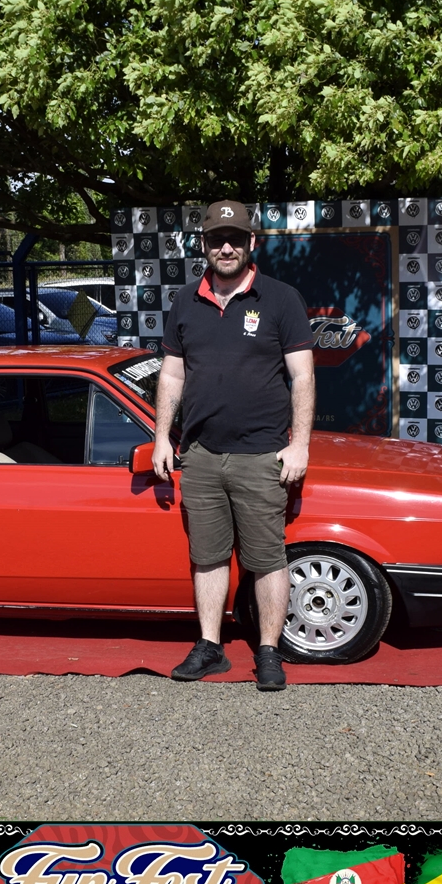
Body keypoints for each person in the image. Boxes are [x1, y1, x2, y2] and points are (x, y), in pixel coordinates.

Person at [153, 200, 316, 691]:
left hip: (262, 453)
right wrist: (161, 437)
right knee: (208, 556)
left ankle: (268, 651)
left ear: (251, 243)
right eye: (217, 239)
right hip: (200, 455)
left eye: (236, 239)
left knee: (266, 559)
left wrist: (300, 445)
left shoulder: (281, 299)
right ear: (203, 245)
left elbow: (302, 376)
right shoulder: (185, 301)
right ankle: (210, 647)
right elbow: (172, 374)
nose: (226, 248)